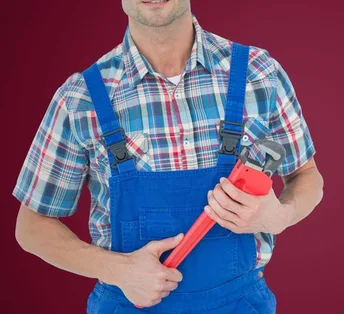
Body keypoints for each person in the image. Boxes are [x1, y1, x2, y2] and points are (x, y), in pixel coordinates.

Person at [13, 1, 324, 313]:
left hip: (240, 304)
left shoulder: (259, 73)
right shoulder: (80, 97)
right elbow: (31, 227)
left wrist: (280, 216)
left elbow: (306, 177)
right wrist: (116, 269)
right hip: (130, 305)